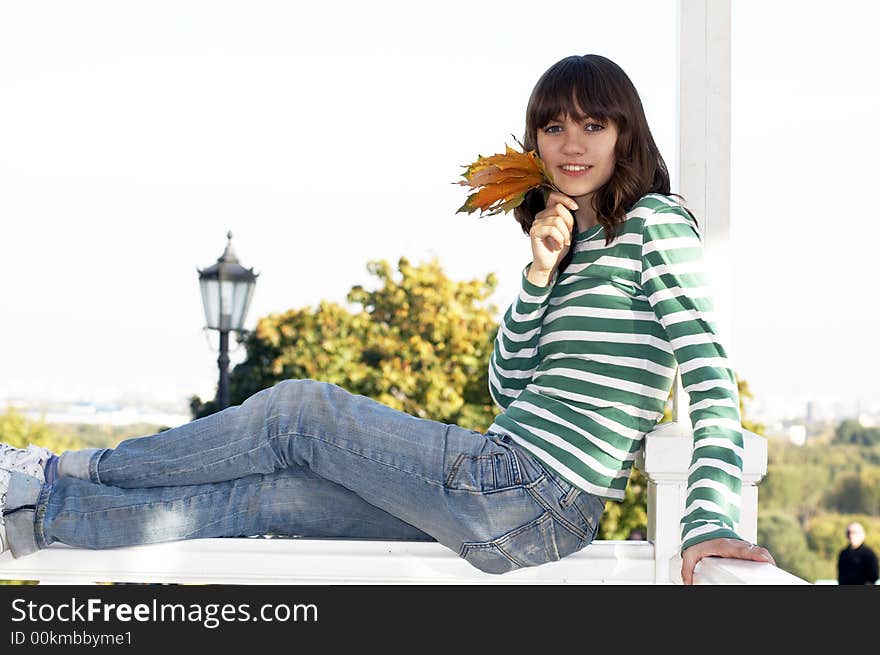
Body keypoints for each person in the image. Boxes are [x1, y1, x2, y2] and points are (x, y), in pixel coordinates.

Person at [0, 54, 774, 585]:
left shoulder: (658, 223)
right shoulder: (568, 243)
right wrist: (539, 275)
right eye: (553, 127)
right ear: (535, 140)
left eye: (592, 126)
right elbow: (507, 385)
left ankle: (65, 468)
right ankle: (33, 516)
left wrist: (707, 520)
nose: (570, 145)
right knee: (266, 496)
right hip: (516, 493)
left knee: (298, 410)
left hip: (533, 488)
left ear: (625, 133)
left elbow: (707, 372)